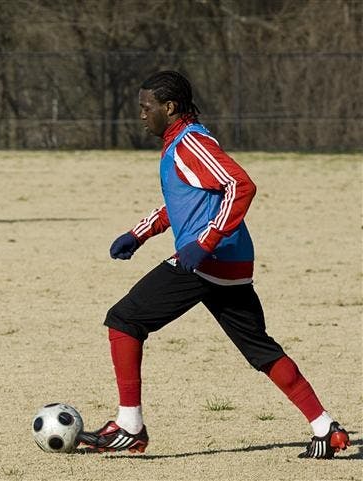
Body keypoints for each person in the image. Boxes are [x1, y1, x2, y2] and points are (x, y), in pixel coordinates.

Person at [77, 71, 350, 459]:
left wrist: (204, 243)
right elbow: (186, 202)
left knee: (124, 320)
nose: (141, 115)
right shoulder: (184, 142)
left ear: (168, 108)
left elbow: (241, 186)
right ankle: (326, 428)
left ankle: (129, 426)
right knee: (260, 349)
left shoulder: (190, 143)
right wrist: (139, 234)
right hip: (229, 263)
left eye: (146, 107)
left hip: (210, 261)